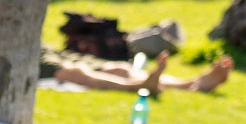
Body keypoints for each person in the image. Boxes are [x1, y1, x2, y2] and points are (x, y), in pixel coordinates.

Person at [39, 46, 234, 94]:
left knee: (120, 68)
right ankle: (138, 86)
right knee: (77, 72)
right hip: (35, 60)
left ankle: (190, 84)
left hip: (45, 50)